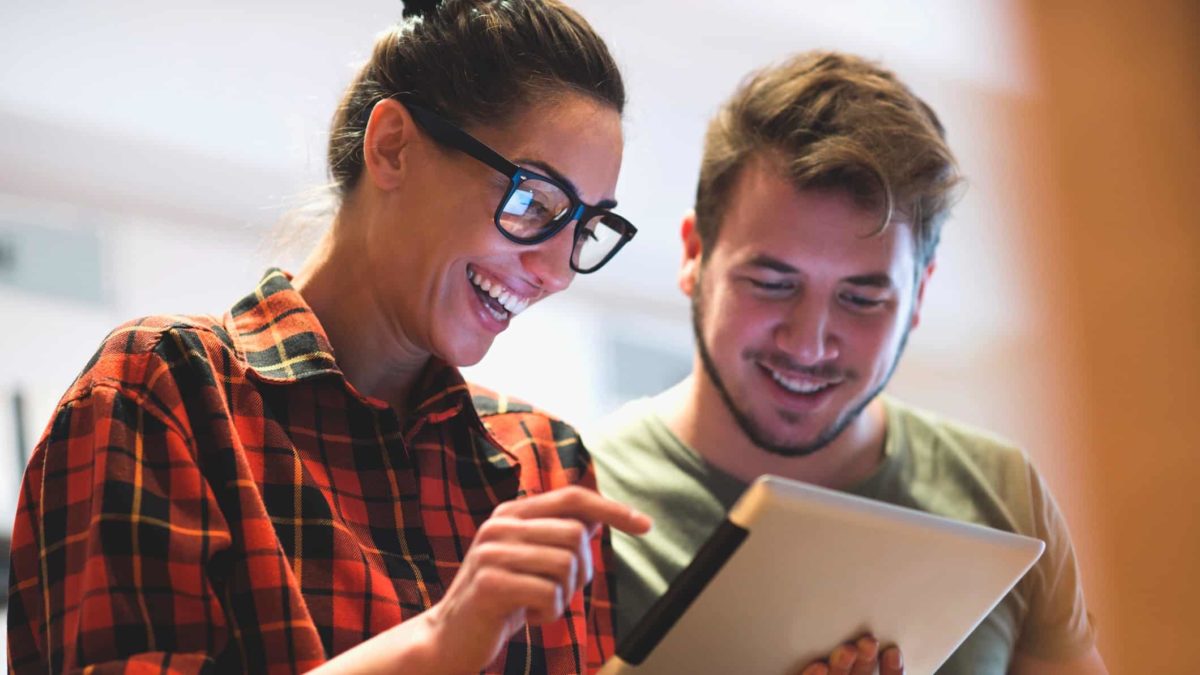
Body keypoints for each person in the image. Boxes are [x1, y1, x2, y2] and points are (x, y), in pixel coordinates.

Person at [6, 1, 653, 673]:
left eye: (582, 228)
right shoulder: (167, 391)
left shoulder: (544, 464)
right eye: (533, 201)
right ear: (392, 146)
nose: (555, 271)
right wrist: (436, 641)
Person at [588, 52, 1109, 675]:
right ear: (695, 254)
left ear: (918, 296)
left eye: (862, 298)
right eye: (772, 282)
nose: (809, 344)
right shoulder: (579, 498)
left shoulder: (1002, 494)